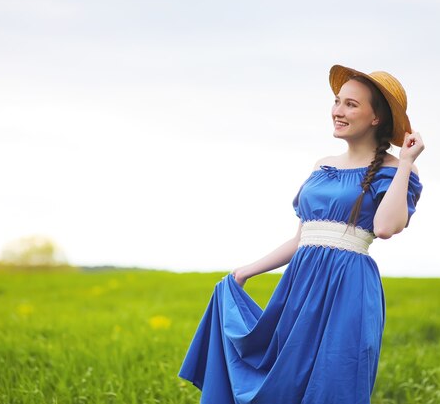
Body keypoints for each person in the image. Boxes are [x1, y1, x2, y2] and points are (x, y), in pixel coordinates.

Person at [178, 63, 425, 404]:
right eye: (337, 101)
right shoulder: (323, 166)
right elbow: (301, 239)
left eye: (351, 105)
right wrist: (246, 271)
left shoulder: (396, 172)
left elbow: (384, 227)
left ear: (376, 117)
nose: (338, 111)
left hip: (349, 287)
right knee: (285, 376)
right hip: (301, 284)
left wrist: (408, 161)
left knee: (335, 379)